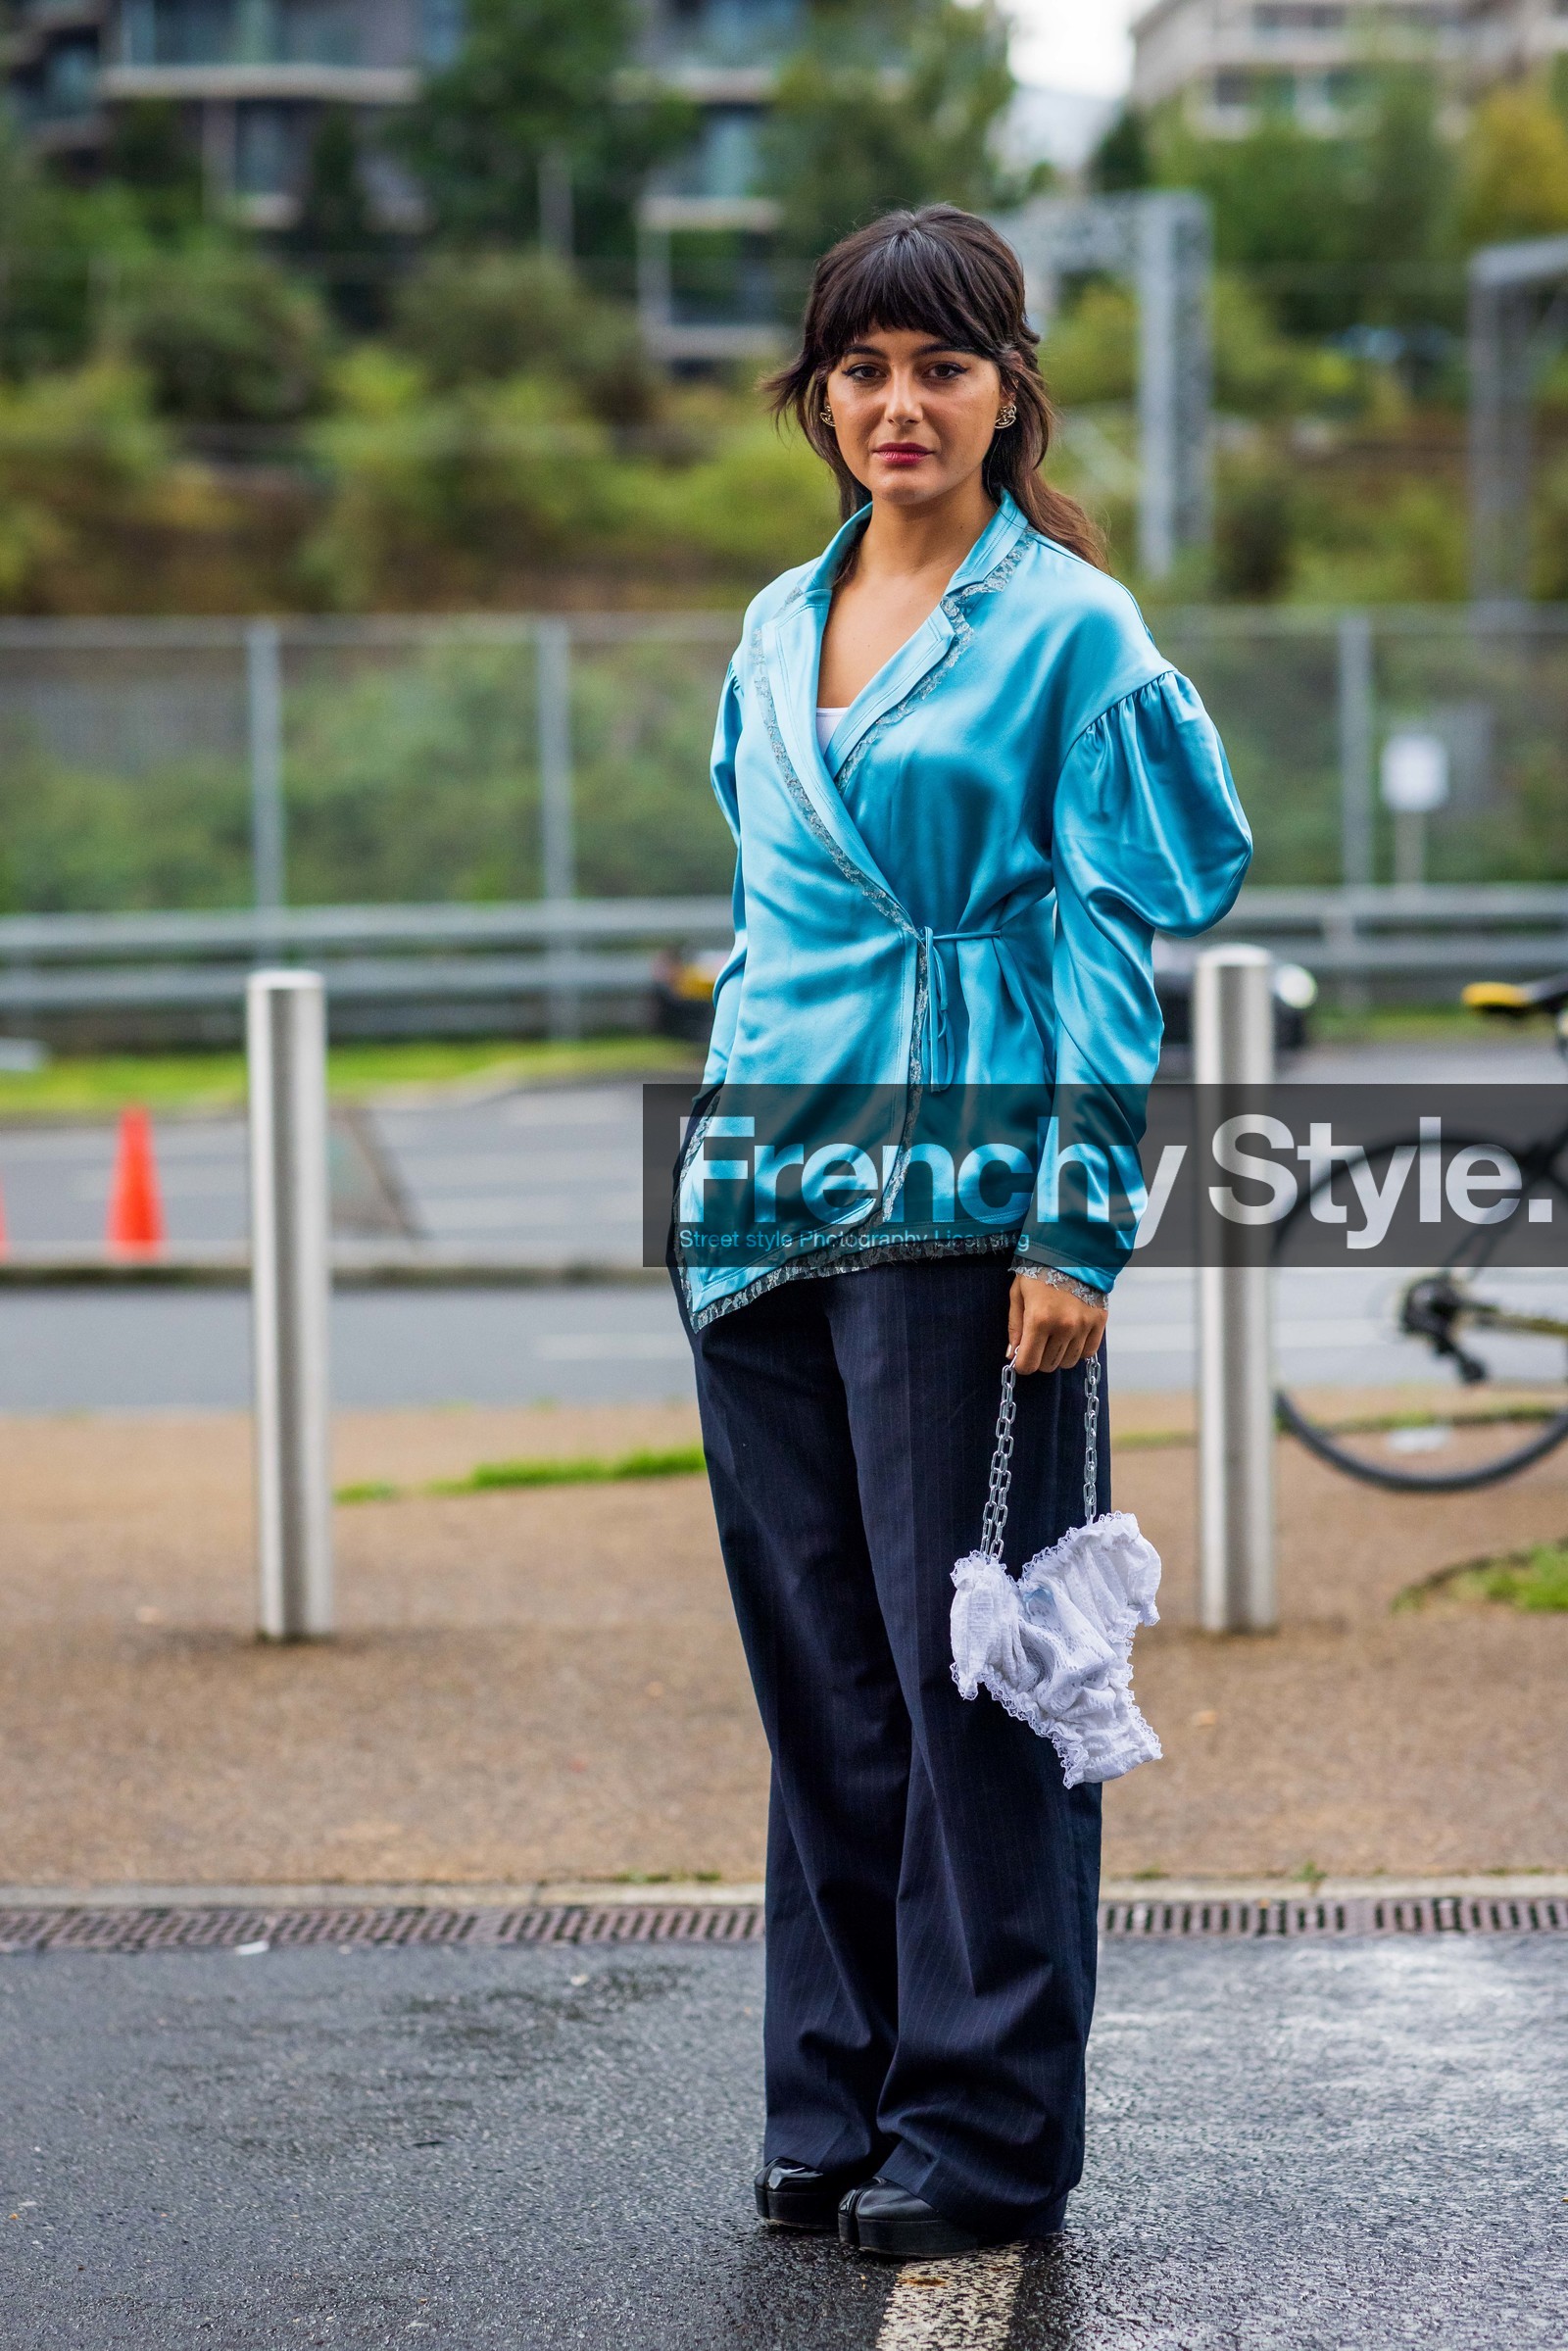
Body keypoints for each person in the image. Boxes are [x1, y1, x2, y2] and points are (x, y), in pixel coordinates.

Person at [672, 205, 1251, 2260]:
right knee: (823, 1687)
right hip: (757, 1200)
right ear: (814, 399)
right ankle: (831, 2100)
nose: (896, 406)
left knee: (972, 1686)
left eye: (938, 366)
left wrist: (1074, 1234)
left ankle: (984, 2127)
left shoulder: (1068, 629)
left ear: (1006, 390)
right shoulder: (768, 621)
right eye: (859, 370)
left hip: (963, 1206)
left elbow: (1123, 933)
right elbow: (761, 923)